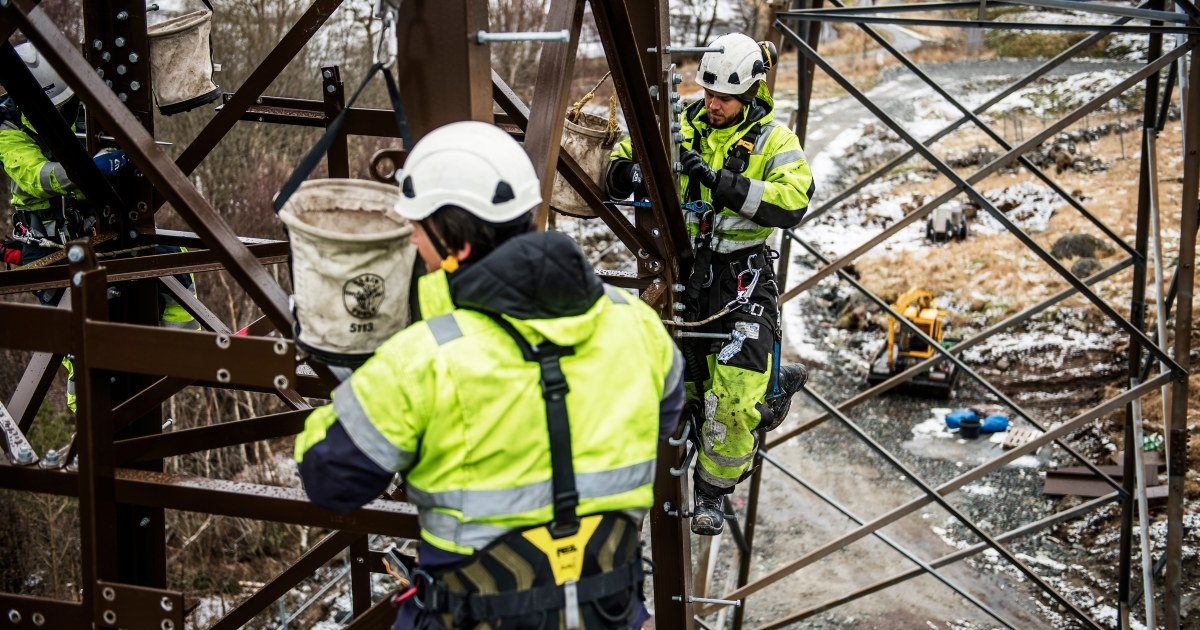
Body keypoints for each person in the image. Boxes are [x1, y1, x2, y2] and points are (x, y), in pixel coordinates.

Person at [295, 121, 685, 630]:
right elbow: (665, 419)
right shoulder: (638, 328)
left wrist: (355, 378)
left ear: (454, 239)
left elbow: (329, 479)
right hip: (608, 611)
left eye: (420, 224)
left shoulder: (425, 359)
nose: (411, 236)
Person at [606, 32, 815, 536]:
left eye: (724, 98)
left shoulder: (774, 142)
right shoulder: (678, 126)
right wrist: (638, 177)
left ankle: (713, 492)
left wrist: (721, 183)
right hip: (686, 271)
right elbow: (617, 164)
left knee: (735, 397)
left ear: (750, 96)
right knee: (694, 388)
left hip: (742, 276)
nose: (713, 104)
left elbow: (793, 202)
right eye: (709, 94)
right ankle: (771, 388)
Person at [0, 41, 200, 413]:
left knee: (172, 264)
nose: (61, 115)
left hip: (98, 230)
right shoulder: (8, 125)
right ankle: (92, 416)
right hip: (46, 249)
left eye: (63, 107)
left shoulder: (84, 101)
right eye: (52, 109)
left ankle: (177, 355)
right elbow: (36, 176)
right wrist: (89, 170)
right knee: (81, 327)